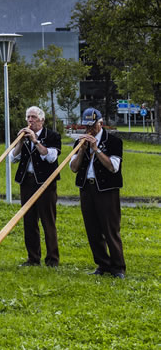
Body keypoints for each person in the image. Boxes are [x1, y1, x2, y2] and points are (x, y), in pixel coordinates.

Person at [70, 107, 126, 278]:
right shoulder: (80, 142)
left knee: (110, 229)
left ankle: (118, 267)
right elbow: (73, 168)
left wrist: (96, 149)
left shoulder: (113, 142)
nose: (89, 130)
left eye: (92, 126)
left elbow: (113, 167)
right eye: (86, 126)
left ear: (100, 123)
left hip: (107, 190)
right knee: (92, 229)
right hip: (87, 188)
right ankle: (103, 264)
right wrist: (82, 150)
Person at [9, 106, 61, 267]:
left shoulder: (52, 136)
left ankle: (52, 259)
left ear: (42, 120)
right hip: (27, 182)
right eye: (28, 118)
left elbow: (51, 157)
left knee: (48, 221)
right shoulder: (23, 137)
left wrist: (35, 140)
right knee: (29, 221)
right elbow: (12, 158)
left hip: (46, 183)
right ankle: (33, 258)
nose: (30, 121)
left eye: (33, 117)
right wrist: (20, 142)